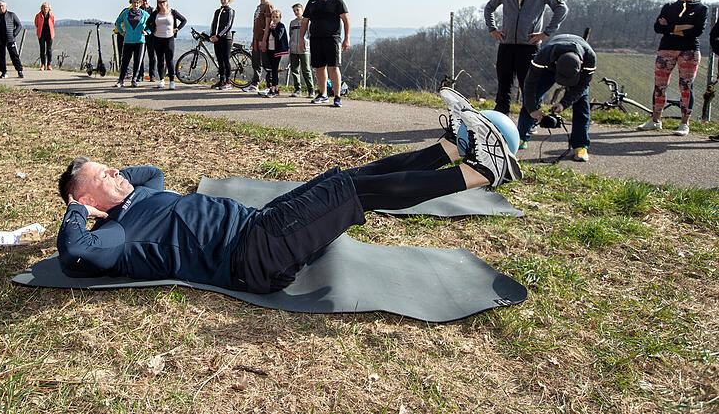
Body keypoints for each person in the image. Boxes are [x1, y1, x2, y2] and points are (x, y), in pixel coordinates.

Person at [55, 105, 521, 293]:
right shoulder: (115, 233)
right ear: (85, 196)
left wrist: (113, 182)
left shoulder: (140, 194)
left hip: (261, 224)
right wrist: (79, 211)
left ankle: (449, 150)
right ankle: (479, 173)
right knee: (355, 192)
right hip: (254, 253)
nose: (117, 171)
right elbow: (75, 251)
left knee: (346, 177)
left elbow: (151, 171)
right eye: (103, 173)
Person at [483, 0, 568, 116]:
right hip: (506, 45)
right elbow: (489, 8)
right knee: (503, 85)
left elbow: (561, 8)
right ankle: (500, 120)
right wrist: (492, 29)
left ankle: (529, 121)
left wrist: (546, 32)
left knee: (528, 86)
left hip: (529, 46)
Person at [637, 0, 707, 136]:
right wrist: (680, 28)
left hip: (689, 51)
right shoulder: (669, 7)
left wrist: (669, 27)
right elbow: (657, 27)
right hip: (666, 49)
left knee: (686, 86)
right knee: (660, 86)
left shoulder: (702, 9)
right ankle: (655, 120)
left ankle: (684, 123)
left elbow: (696, 31)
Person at [516, 34, 596, 162]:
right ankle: (520, 138)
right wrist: (532, 110)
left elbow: (582, 86)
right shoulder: (543, 55)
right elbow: (530, 85)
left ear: (581, 63)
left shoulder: (589, 58)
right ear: (556, 62)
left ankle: (580, 146)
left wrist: (563, 104)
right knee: (532, 97)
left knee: (582, 104)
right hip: (548, 67)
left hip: (576, 72)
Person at [300, 0, 350, 108]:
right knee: (319, 67)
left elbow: (345, 19)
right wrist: (301, 39)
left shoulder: (336, 1)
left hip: (332, 39)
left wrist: (347, 38)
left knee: (333, 67)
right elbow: (305, 21)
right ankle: (323, 94)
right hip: (315, 39)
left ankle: (337, 96)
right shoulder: (312, 2)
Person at [145, 0, 187, 89]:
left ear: (167, 2)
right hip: (157, 38)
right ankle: (161, 80)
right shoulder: (155, 13)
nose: (162, 4)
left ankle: (172, 81)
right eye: (159, 2)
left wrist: (177, 29)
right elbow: (148, 22)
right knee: (160, 60)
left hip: (169, 38)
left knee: (169, 60)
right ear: (157, 3)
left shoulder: (172, 12)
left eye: (163, 1)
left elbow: (184, 20)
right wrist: (152, 29)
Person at [241, 0, 275, 93]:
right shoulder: (258, 7)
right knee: (256, 63)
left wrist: (264, 40)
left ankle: (270, 87)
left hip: (263, 39)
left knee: (266, 63)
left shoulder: (268, 6)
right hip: (256, 39)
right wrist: (253, 40)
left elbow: (268, 25)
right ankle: (254, 84)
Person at [114, 0, 149, 87]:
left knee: (137, 61)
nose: (136, 4)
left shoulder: (145, 14)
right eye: (134, 2)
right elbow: (118, 22)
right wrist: (121, 32)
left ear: (140, 3)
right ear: (131, 3)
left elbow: (153, 23)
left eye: (138, 2)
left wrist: (147, 32)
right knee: (125, 61)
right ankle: (121, 80)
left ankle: (134, 80)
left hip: (140, 41)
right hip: (128, 40)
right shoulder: (125, 13)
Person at [0, 0, 25, 79]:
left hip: (10, 39)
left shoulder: (11, 15)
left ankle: (19, 71)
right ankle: (3, 72)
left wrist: (13, 34)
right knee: (1, 57)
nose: (1, 7)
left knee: (14, 55)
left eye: (2, 6)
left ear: (5, 6)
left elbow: (19, 25)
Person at [259, 9, 289, 98]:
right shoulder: (271, 26)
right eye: (273, 17)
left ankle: (274, 88)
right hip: (270, 50)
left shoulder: (281, 26)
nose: (274, 19)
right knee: (272, 69)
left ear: (280, 18)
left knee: (275, 70)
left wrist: (272, 29)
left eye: (277, 17)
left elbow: (278, 36)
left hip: (277, 51)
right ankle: (274, 88)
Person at [210, 0, 236, 89]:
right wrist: (212, 35)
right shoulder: (217, 11)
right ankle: (221, 80)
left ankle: (228, 81)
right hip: (217, 39)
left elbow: (228, 25)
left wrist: (219, 36)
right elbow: (213, 23)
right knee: (219, 60)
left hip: (226, 39)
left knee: (226, 59)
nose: (223, 1)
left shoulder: (230, 11)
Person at [288, 3, 314, 98]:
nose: (296, 12)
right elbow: (290, 34)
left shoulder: (307, 22)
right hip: (294, 49)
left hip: (304, 49)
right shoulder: (292, 23)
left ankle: (311, 90)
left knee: (306, 70)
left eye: (297, 10)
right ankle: (297, 89)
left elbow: (310, 35)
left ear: (302, 10)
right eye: (294, 11)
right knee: (294, 70)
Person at [138, 0, 156, 82]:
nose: (144, 3)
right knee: (140, 56)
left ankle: (152, 75)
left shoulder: (152, 10)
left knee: (152, 56)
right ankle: (140, 75)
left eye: (146, 1)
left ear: (148, 1)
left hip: (151, 36)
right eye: (143, 1)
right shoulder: (138, 10)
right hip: (141, 35)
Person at [34, 2, 55, 71]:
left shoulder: (51, 15)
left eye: (46, 7)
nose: (45, 9)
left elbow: (52, 23)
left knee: (49, 50)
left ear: (49, 8)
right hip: (41, 34)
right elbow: (36, 23)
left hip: (49, 34)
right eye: (44, 7)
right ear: (42, 8)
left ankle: (49, 64)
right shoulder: (38, 15)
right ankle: (43, 65)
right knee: (42, 50)